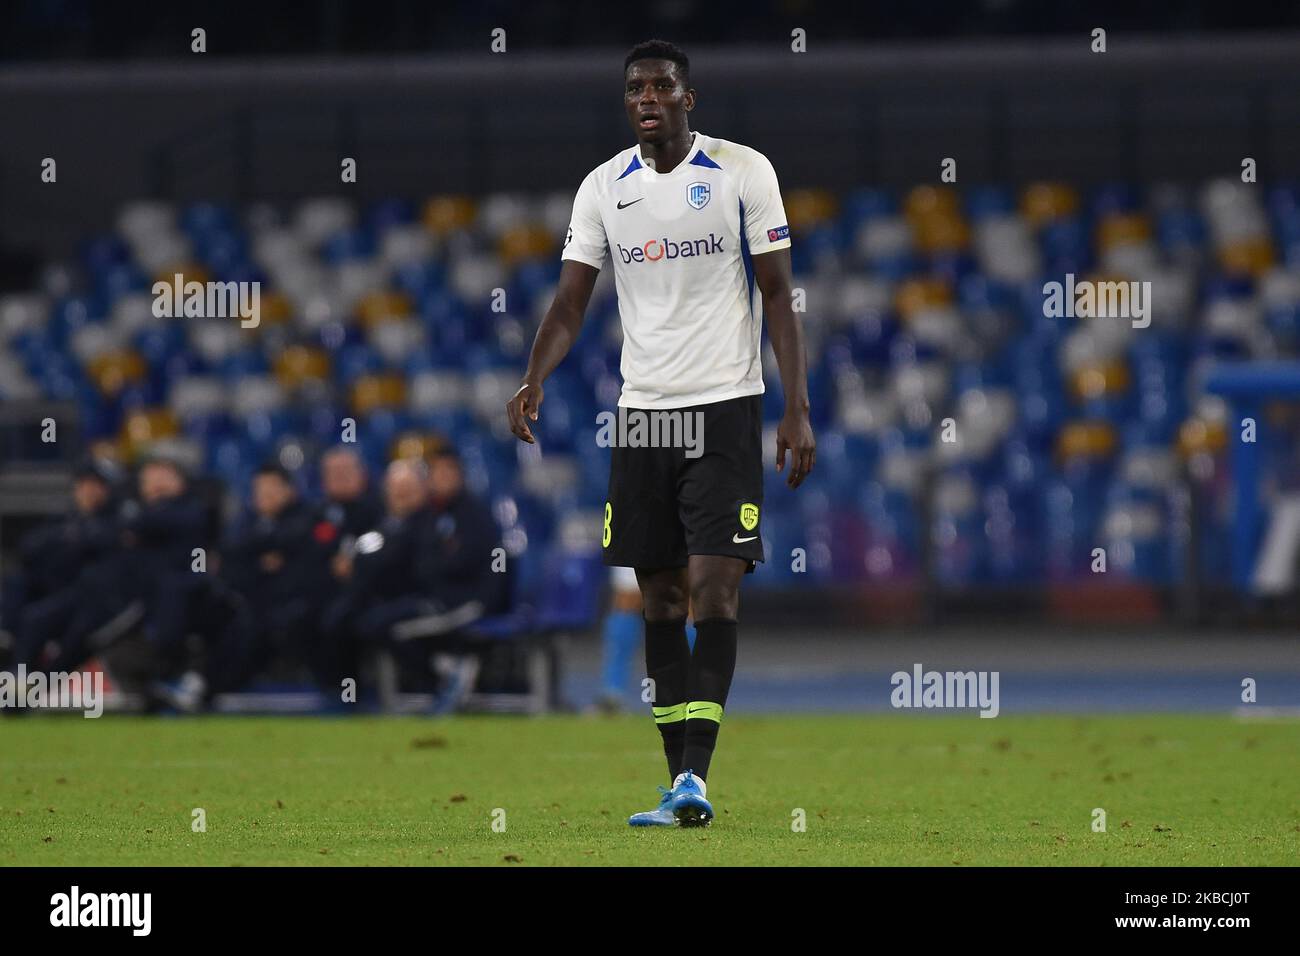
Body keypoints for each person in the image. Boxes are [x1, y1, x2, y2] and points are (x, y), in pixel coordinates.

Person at [506, 40, 815, 827]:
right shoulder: (604, 188)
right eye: (636, 88)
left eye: (662, 86)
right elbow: (572, 303)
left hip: (726, 404)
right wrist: (535, 374)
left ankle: (697, 778)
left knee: (715, 589)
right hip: (643, 414)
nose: (648, 97)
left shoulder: (745, 172)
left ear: (689, 96)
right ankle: (679, 782)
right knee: (660, 599)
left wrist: (796, 406)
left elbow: (778, 295)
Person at [10, 458, 125, 671]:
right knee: (16, 585)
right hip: (57, 590)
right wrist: (69, 536)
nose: (88, 491)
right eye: (84, 484)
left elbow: (102, 543)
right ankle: (6, 640)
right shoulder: (63, 517)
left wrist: (75, 536)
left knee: (37, 618)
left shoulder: (119, 518)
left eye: (96, 485)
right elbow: (29, 547)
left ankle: (19, 679)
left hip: (96, 600)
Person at [222, 462, 330, 684]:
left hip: (301, 600)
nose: (266, 496)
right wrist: (260, 560)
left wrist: (261, 549)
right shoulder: (247, 521)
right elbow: (229, 552)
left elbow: (308, 543)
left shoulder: (311, 514)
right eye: (260, 490)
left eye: (272, 489)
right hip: (255, 600)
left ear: (290, 490)